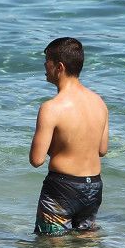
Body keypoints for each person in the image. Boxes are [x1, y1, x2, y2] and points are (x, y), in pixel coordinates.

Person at [29, 37, 110, 235]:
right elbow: (102, 150)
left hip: (61, 189)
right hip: (93, 187)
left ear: (60, 67)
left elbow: (36, 160)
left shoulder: (51, 108)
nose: (44, 65)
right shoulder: (99, 102)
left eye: (47, 60)